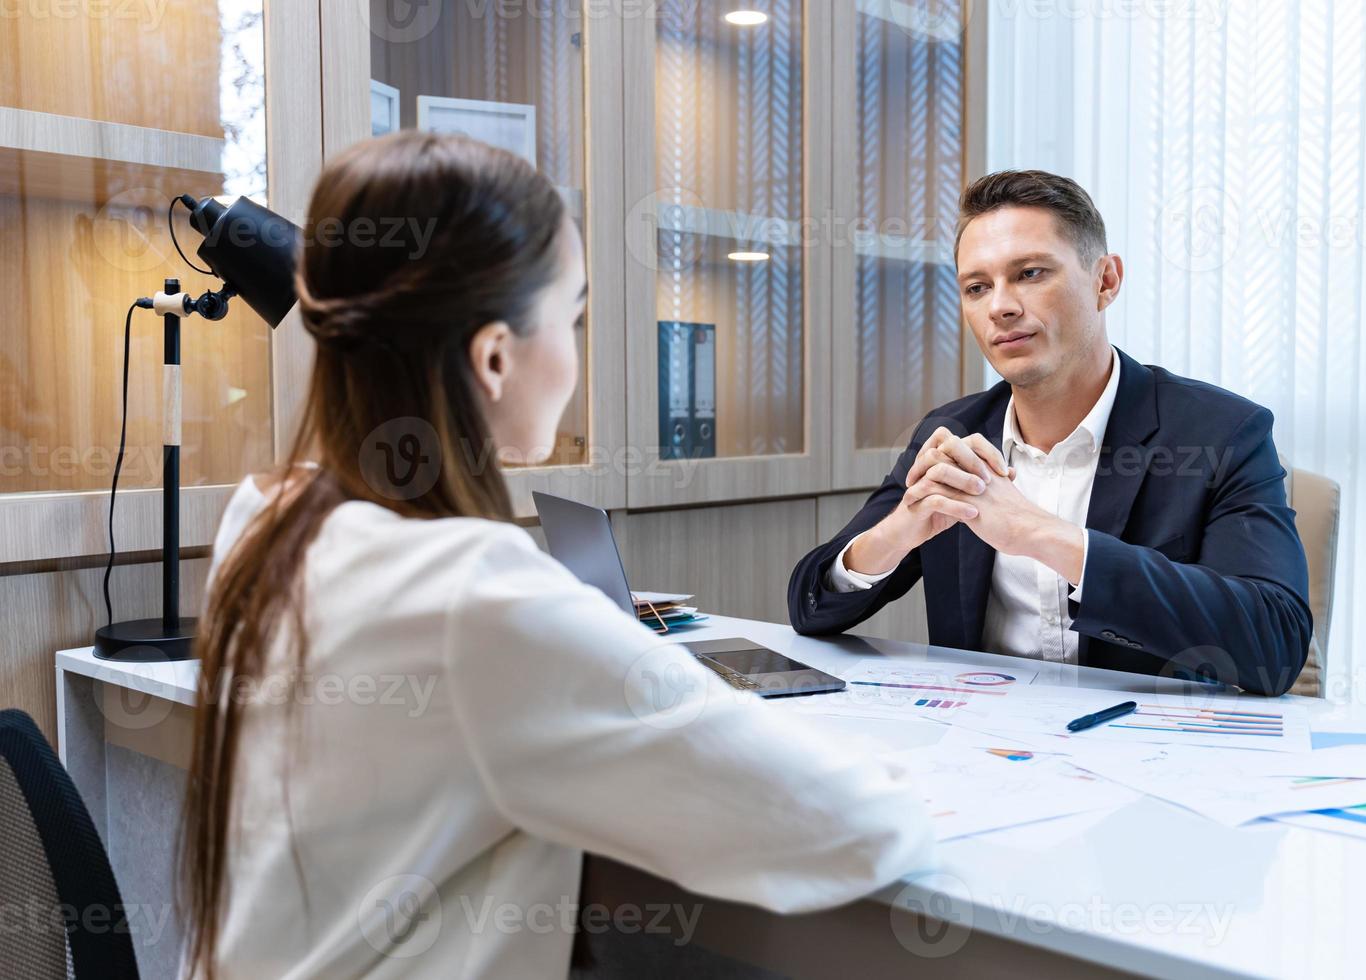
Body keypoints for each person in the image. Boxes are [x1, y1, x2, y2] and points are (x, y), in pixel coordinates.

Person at [180, 131, 934, 980]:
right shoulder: (476, 596)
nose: (577, 355)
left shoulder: (268, 516)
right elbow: (850, 827)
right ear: (494, 356)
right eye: (572, 315)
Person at [789, 170, 1312, 697]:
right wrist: (899, 530)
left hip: (1149, 750)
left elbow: (1275, 642)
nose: (1001, 306)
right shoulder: (954, 433)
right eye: (977, 287)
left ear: (1104, 281)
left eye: (1031, 273)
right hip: (981, 746)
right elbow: (811, 606)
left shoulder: (1221, 433)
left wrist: (1044, 536)